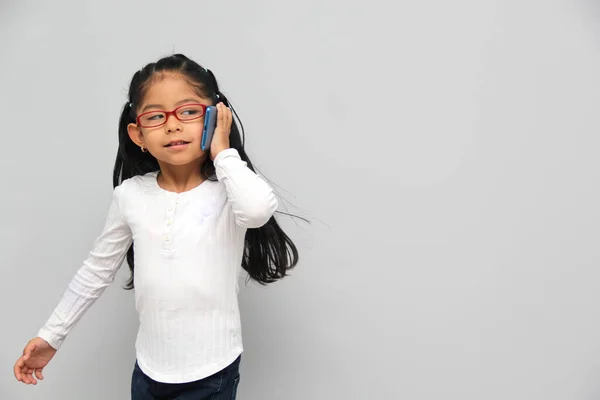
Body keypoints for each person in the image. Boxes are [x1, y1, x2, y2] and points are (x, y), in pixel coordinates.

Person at [13, 53, 298, 399]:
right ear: (138, 134)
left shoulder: (229, 189)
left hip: (212, 372)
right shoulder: (130, 195)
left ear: (215, 119)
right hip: (148, 371)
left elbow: (256, 211)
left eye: (189, 111)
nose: (173, 125)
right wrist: (51, 335)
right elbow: (96, 271)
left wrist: (222, 152)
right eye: (156, 116)